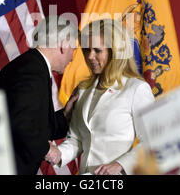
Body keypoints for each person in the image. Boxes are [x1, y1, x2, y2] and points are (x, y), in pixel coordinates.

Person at [45, 19, 155, 174]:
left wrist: (120, 164)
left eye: (97, 50)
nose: (90, 56)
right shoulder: (83, 90)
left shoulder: (136, 89)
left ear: (115, 51)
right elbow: (76, 139)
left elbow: (153, 140)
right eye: (86, 50)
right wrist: (57, 154)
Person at [0, 15, 79, 175]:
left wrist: (66, 114)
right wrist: (47, 149)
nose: (72, 56)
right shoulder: (32, 71)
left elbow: (39, 125)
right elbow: (21, 122)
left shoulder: (34, 66)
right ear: (64, 45)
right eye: (74, 49)